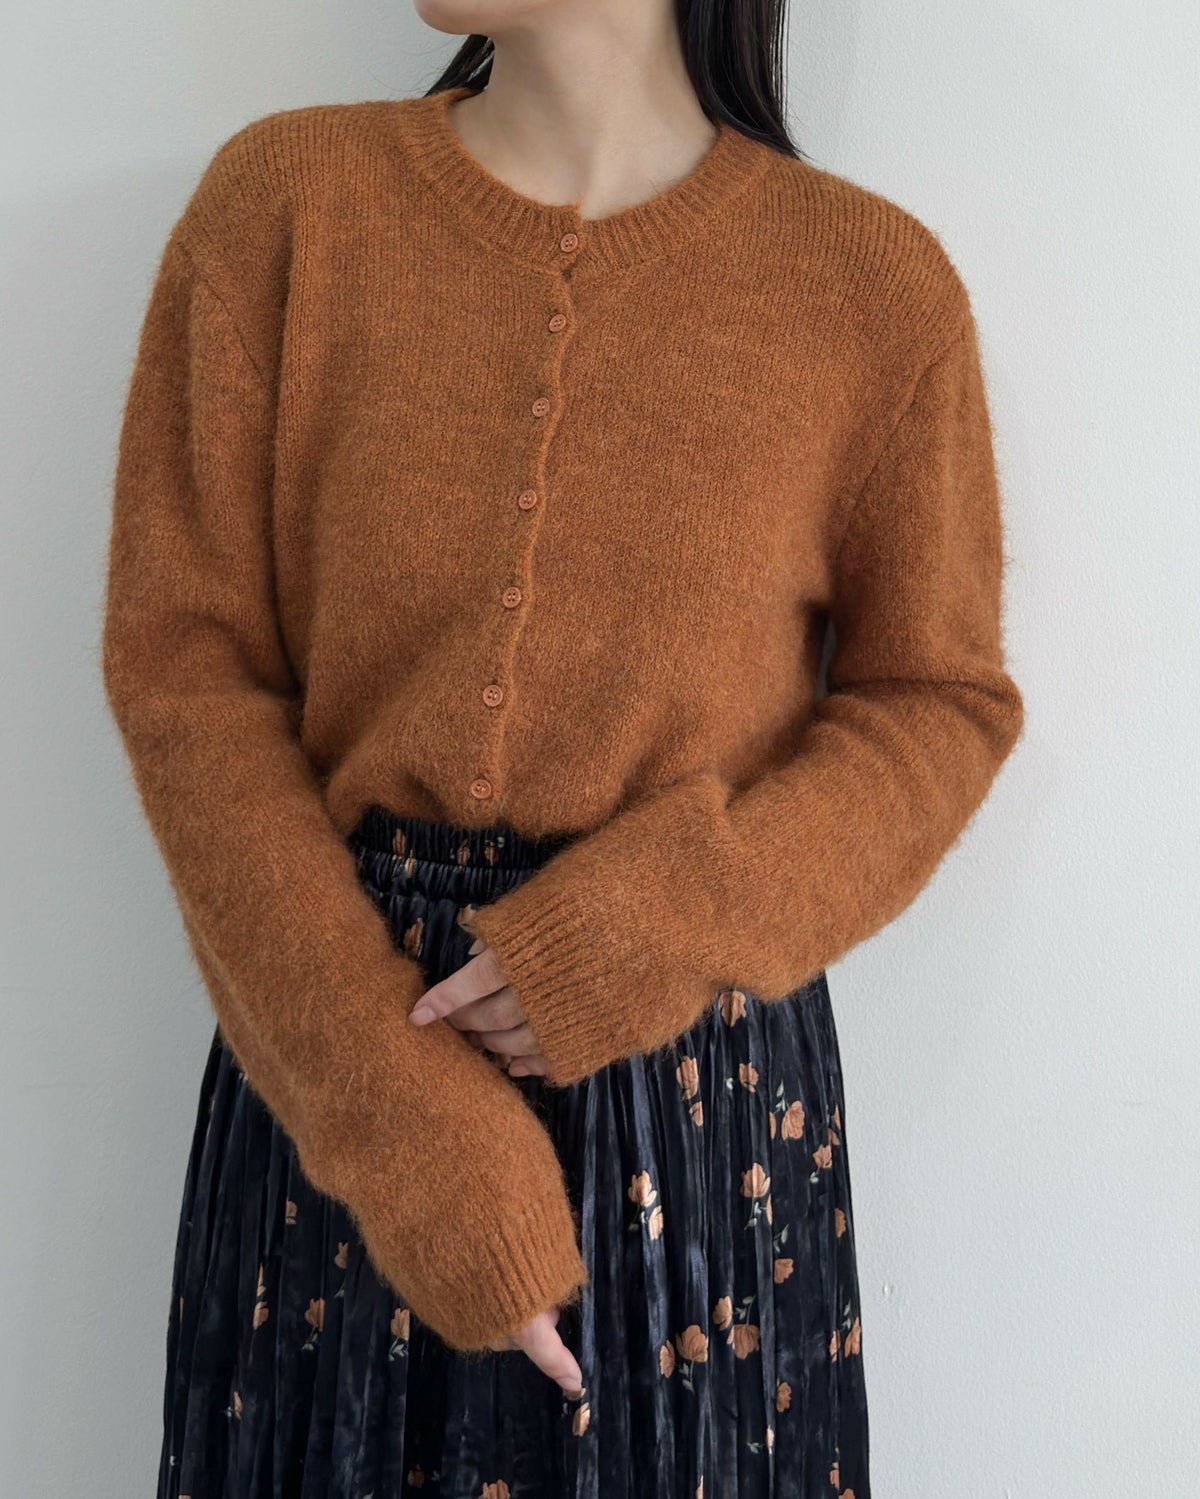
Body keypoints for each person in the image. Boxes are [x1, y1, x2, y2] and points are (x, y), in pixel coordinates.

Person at [100, 2, 1024, 1496]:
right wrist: (399, 1126)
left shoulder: (869, 290)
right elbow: (186, 672)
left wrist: (660, 924)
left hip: (696, 1121)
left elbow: (937, 703)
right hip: (342, 1067)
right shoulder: (286, 209)